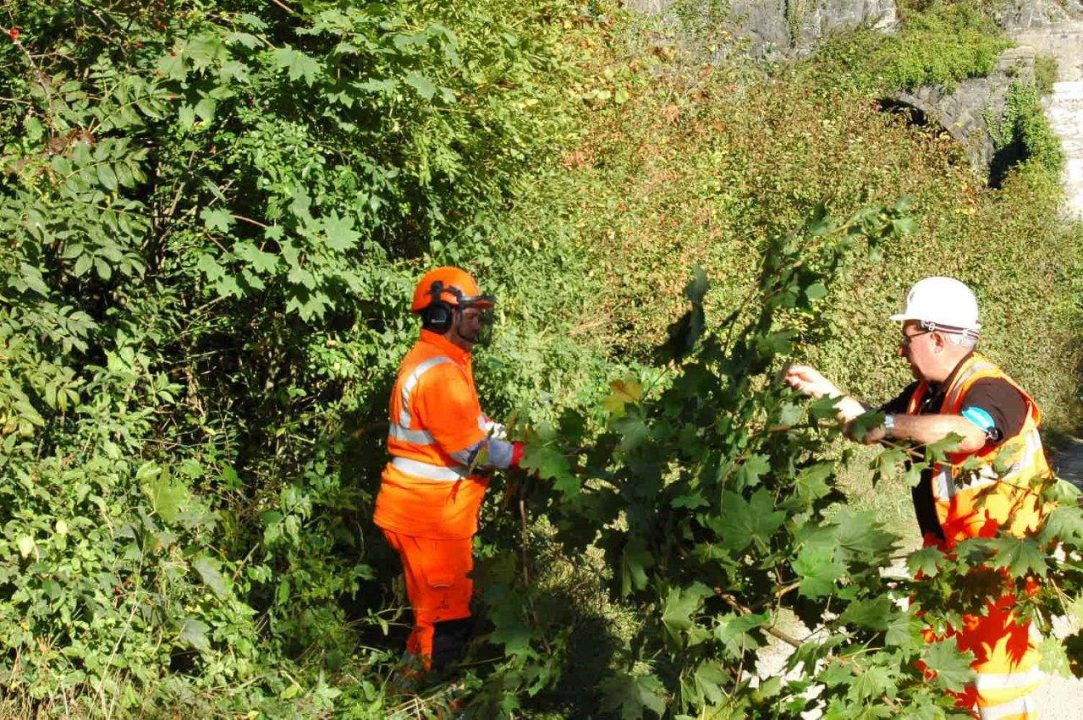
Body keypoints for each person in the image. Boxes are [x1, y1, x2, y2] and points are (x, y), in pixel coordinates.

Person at [785, 276, 1051, 720]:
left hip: (997, 578)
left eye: (907, 338)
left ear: (937, 337)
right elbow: (874, 421)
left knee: (993, 695)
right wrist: (825, 392)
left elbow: (966, 433)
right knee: (934, 686)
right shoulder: (927, 395)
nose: (901, 350)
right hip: (945, 566)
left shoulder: (991, 391)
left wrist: (886, 426)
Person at [374, 266, 524, 674]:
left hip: (435, 514)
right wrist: (519, 456)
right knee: (445, 623)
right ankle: (433, 699)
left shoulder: (444, 362)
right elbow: (469, 450)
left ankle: (406, 694)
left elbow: (463, 426)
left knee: (436, 617)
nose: (479, 321)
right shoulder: (440, 372)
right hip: (428, 515)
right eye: (472, 313)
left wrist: (498, 433)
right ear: (442, 315)